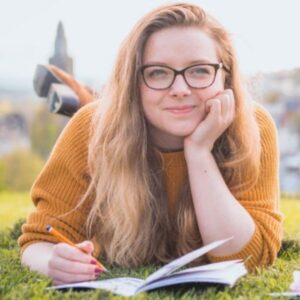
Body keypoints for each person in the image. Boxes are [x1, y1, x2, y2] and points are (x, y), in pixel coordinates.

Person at [19, 3, 283, 285]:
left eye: (200, 70)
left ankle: (80, 90)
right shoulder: (90, 128)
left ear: (225, 76)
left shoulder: (252, 126)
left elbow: (251, 257)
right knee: (101, 116)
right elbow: (39, 240)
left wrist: (198, 152)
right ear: (134, 80)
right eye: (158, 72)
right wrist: (53, 261)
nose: (180, 90)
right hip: (114, 122)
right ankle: (82, 94)